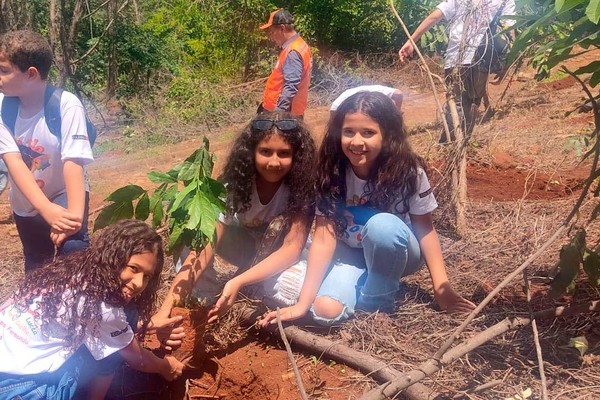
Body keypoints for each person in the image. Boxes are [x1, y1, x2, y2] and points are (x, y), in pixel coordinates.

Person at [260, 92, 476, 327]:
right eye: (349, 132)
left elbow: (425, 229)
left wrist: (441, 288)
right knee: (324, 311)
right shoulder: (330, 171)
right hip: (351, 254)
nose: (356, 142)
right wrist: (303, 304)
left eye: (368, 133)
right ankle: (365, 282)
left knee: (382, 226)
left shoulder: (409, 172)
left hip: (398, 251)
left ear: (387, 135)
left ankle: (378, 303)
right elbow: (323, 238)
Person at [155, 112, 316, 324]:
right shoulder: (233, 188)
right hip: (245, 249)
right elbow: (205, 246)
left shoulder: (301, 189)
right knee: (192, 240)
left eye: (284, 153)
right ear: (251, 152)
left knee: (288, 289)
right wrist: (167, 305)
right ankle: (206, 298)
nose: (274, 162)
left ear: (296, 156)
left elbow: (292, 249)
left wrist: (239, 281)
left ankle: (253, 284)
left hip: (281, 255)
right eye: (265, 152)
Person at [0, 220, 185, 400]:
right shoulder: (104, 308)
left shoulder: (73, 269)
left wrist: (147, 325)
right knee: (111, 352)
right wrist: (166, 367)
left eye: (147, 276)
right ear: (114, 258)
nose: (139, 283)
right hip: (22, 388)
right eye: (133, 268)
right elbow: (137, 358)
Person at [0, 30, 94, 272]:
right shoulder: (2, 108)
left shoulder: (66, 105)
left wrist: (72, 219)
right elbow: (14, 162)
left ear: (31, 74)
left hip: (64, 191)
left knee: (74, 253)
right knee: (37, 266)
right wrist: (45, 210)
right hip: (26, 202)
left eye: (4, 70)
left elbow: (74, 161)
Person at [398, 0, 516, 140]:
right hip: (482, 59)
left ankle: (454, 148)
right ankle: (457, 147)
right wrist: (507, 62)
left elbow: (435, 16)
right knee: (471, 103)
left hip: (457, 58)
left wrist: (411, 40)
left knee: (455, 103)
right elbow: (509, 30)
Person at [258, 9, 312, 117]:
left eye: (272, 32)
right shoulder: (301, 45)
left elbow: (291, 86)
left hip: (283, 114)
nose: (271, 36)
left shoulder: (292, 52)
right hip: (292, 110)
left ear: (282, 28)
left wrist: (278, 112)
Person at [330, 85, 403, 114]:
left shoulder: (374, 91)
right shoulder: (383, 91)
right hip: (339, 106)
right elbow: (399, 94)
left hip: (336, 105)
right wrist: (397, 112)